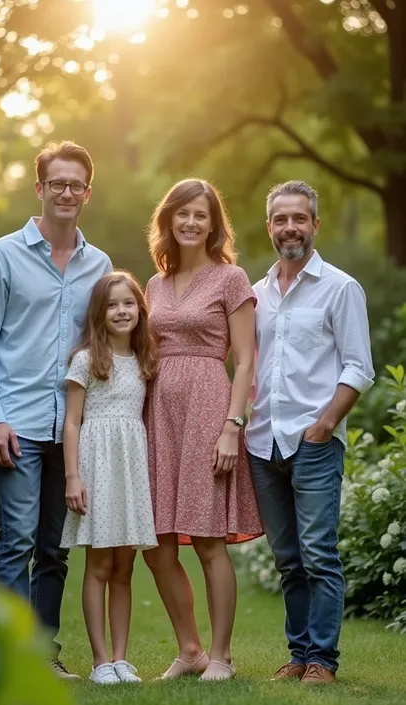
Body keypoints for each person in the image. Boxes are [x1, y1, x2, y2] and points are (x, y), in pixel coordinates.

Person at [0, 140, 112, 679]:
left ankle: (43, 658)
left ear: (87, 193)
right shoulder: (2, 255)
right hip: (17, 423)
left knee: (54, 548)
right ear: (40, 189)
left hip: (71, 428)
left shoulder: (100, 264)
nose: (67, 192)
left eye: (76, 184)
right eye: (58, 183)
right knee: (16, 541)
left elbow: (104, 342)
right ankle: (6, 658)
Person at [246, 180, 374, 685]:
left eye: (300, 218)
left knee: (319, 553)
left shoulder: (340, 288)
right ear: (270, 226)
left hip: (314, 443)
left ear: (315, 225)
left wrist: (324, 425)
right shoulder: (255, 295)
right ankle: (299, 655)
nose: (290, 227)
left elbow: (358, 367)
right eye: (281, 219)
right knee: (287, 559)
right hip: (263, 444)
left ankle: (323, 660)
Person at [144, 178, 263, 681]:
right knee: (157, 543)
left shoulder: (231, 278)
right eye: (183, 214)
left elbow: (246, 358)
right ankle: (189, 649)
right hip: (157, 415)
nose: (191, 222)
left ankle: (221, 656)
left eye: (201, 215)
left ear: (214, 224)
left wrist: (232, 426)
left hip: (208, 408)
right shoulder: (153, 284)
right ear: (168, 219)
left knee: (209, 537)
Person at [60, 270, 158, 685]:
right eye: (112, 305)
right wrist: (72, 477)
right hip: (96, 470)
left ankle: (121, 659)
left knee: (124, 570)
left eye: (128, 303)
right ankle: (100, 661)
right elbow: (72, 424)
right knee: (98, 566)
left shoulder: (143, 360)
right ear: (99, 313)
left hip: (129, 471)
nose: (121, 311)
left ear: (140, 308)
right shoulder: (85, 360)